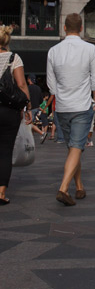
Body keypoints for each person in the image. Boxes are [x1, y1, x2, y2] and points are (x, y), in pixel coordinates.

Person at [47, 13, 95, 206]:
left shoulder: (53, 51)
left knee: (73, 148)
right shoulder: (90, 49)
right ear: (81, 28)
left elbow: (51, 85)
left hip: (62, 107)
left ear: (64, 28)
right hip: (81, 105)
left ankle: (79, 186)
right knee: (77, 147)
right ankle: (63, 188)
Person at [0, 26, 31, 205]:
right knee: (5, 151)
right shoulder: (14, 58)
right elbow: (21, 85)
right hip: (9, 111)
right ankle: (1, 193)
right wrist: (27, 107)